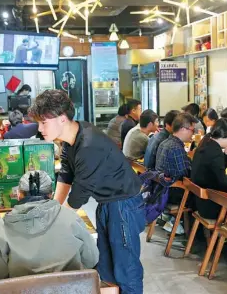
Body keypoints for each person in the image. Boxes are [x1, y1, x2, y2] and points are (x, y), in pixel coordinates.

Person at [28, 90, 145, 294]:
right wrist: (53, 210)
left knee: (126, 269)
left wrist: (56, 223)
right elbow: (66, 175)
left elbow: (79, 194)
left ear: (62, 118)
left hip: (124, 204)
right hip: (107, 202)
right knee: (106, 268)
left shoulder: (89, 144)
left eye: (43, 123)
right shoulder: (71, 139)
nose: (39, 128)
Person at [0, 171, 99, 281]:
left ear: (18, 195)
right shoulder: (72, 219)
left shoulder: (0, 229)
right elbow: (92, 259)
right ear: (51, 194)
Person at [191, 119, 227, 219]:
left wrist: (226, 154)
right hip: (213, 205)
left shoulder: (206, 141)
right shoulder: (215, 151)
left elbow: (216, 170)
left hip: (201, 202)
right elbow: (225, 183)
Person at [156, 113, 198, 203]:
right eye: (192, 130)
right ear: (183, 129)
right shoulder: (176, 147)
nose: (193, 134)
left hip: (162, 189)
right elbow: (185, 176)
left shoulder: (165, 142)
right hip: (174, 193)